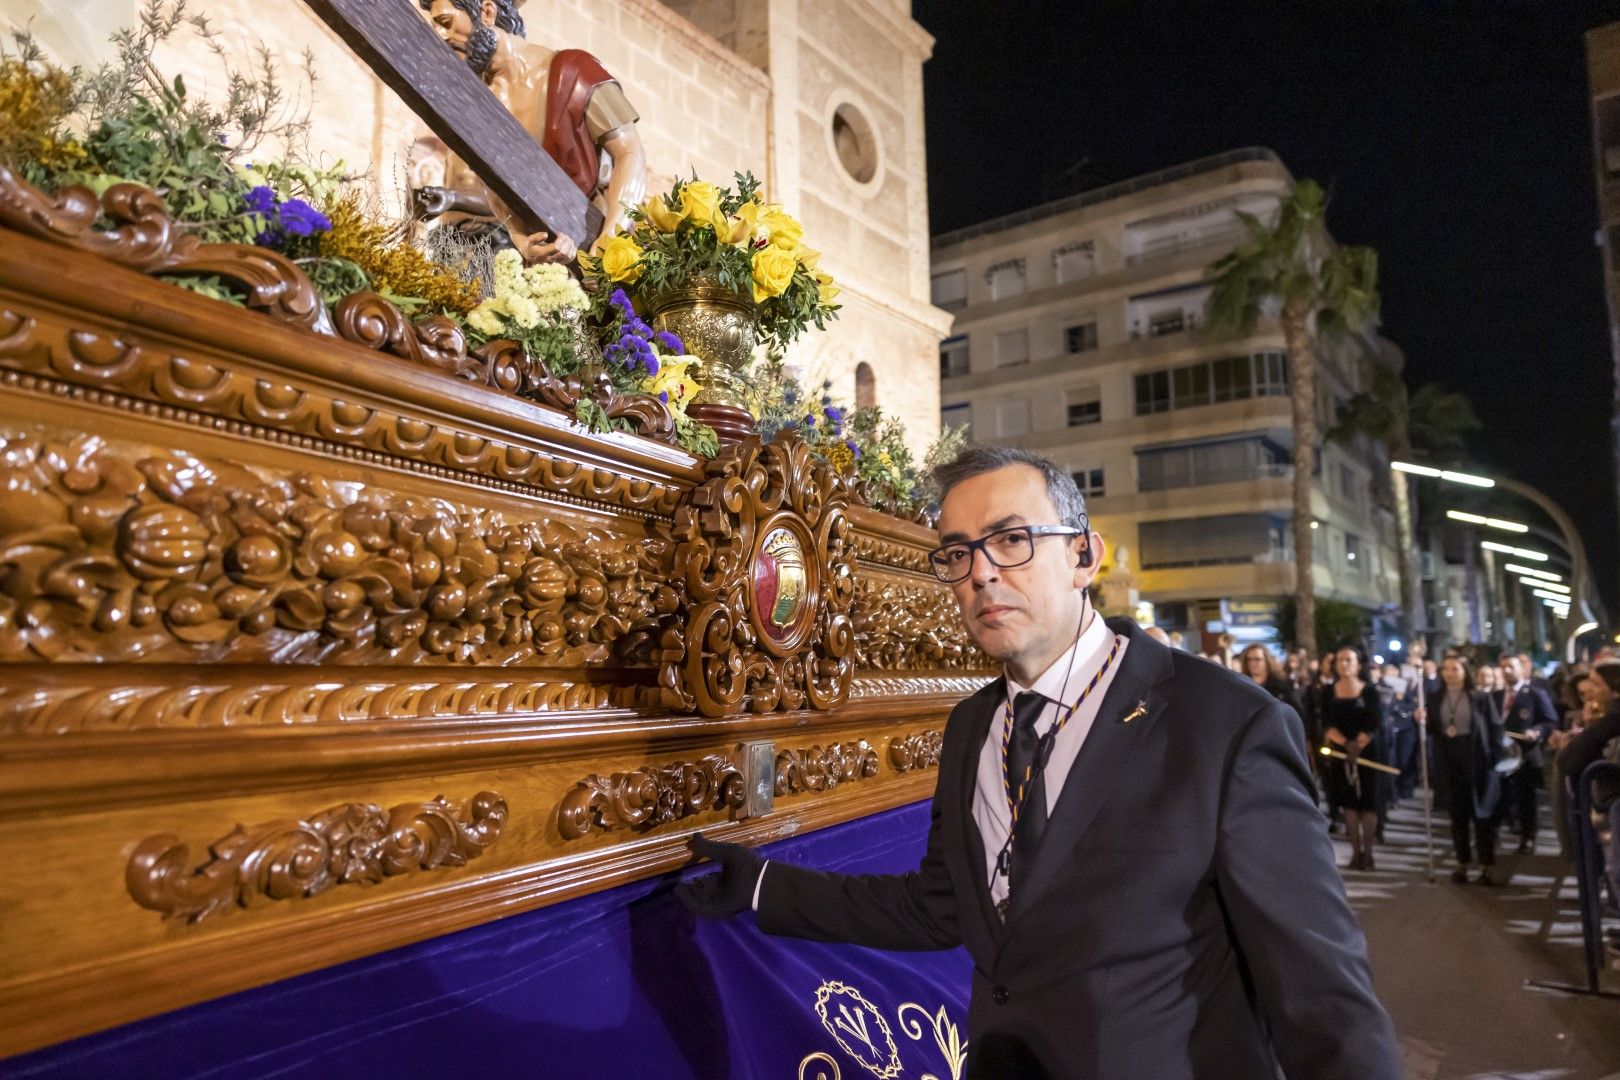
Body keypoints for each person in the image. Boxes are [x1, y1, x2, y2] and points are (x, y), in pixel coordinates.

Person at [679, 446, 1399, 1079]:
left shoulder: (1224, 724)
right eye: (958, 553)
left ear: (1084, 555)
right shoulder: (970, 726)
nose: (982, 575)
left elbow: (1321, 997)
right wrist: (764, 886)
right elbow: (940, 909)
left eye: (1012, 541)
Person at [415, 0, 647, 261]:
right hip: (535, 264)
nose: (442, 37)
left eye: (446, 23)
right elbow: (497, 188)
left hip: (590, 236)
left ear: (487, 12)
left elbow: (629, 152)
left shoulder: (575, 71)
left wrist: (611, 239)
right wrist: (523, 242)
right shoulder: (479, 105)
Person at [1420, 656, 1503, 885]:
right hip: (1449, 758)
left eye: (1454, 669)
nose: (1449, 673)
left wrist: (1497, 761)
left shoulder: (1480, 698)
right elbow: (1431, 730)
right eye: (1445, 669)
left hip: (1476, 758)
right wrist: (1421, 720)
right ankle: (1461, 863)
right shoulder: (1434, 698)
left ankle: (1485, 865)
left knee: (1481, 814)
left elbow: (1495, 728)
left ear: (1465, 672)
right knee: (1458, 815)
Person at [1323, 645, 1387, 870]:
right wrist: (1345, 744)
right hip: (1341, 752)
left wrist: (1359, 744)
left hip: (1366, 752)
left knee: (1368, 805)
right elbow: (1326, 722)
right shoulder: (1328, 691)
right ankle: (1355, 852)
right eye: (1340, 660)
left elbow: (1374, 721)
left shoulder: (1369, 691)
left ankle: (1368, 853)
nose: (1344, 664)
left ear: (1358, 664)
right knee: (1349, 804)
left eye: (1349, 660)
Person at [1499, 655, 1560, 853]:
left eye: (1511, 666)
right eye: (1504, 667)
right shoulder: (1496, 695)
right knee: (1502, 795)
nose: (1507, 670)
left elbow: (1550, 721)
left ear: (1521, 669)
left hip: (1524, 754)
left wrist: (1537, 731)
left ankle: (1528, 836)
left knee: (1525, 797)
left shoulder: (1534, 693)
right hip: (1501, 754)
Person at [1240, 643, 1307, 747]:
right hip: (1251, 741)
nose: (1253, 663)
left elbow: (1296, 713)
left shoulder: (1283, 685)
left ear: (1266, 661)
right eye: (1249, 659)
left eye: (1257, 659)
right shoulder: (1243, 687)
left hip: (1278, 739)